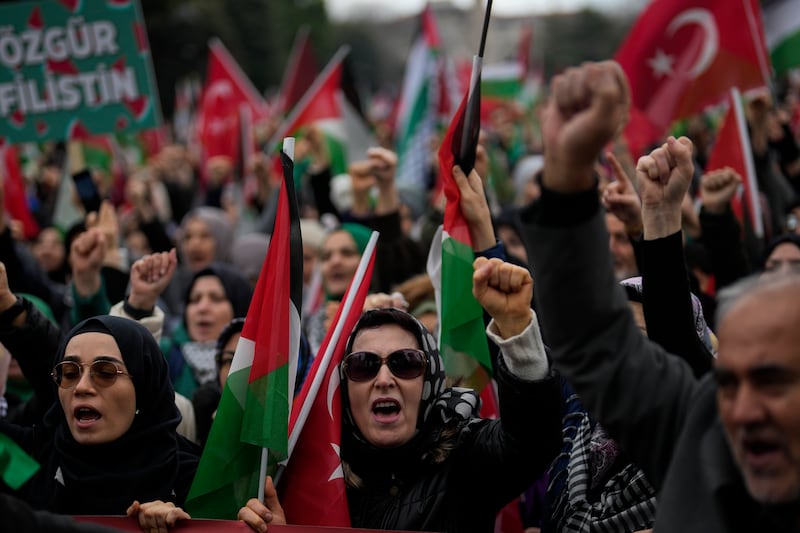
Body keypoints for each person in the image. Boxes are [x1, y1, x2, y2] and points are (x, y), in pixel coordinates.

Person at [521, 60, 800, 531]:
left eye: (771, 381)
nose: (745, 410)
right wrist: (568, 178)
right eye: (727, 382)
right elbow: (594, 339)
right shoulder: (707, 436)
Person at [238, 253, 563, 532]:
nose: (383, 378)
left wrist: (517, 329)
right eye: (364, 365)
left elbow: (533, 440)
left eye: (405, 363)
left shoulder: (467, 454)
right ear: (344, 386)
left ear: (430, 379)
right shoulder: (309, 467)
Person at [0, 314, 198, 530]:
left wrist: (182, 526)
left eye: (105, 373)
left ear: (144, 388)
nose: (81, 387)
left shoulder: (196, 482)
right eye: (69, 373)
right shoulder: (26, 461)